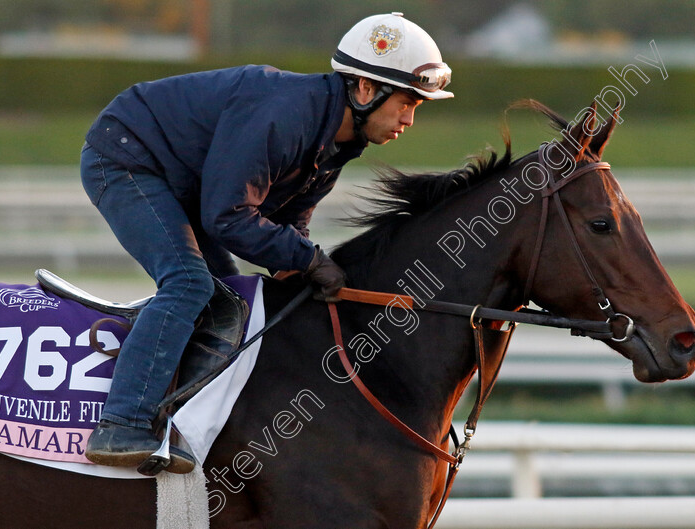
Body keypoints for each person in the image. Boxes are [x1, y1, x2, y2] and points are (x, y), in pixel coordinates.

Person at [80, 12, 453, 474]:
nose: (410, 119)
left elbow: (289, 221)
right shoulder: (285, 114)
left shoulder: (339, 139)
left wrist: (299, 269)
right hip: (127, 158)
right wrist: (308, 260)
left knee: (230, 300)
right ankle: (121, 424)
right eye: (407, 102)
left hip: (187, 183)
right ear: (363, 89)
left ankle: (181, 423)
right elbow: (228, 217)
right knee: (189, 284)